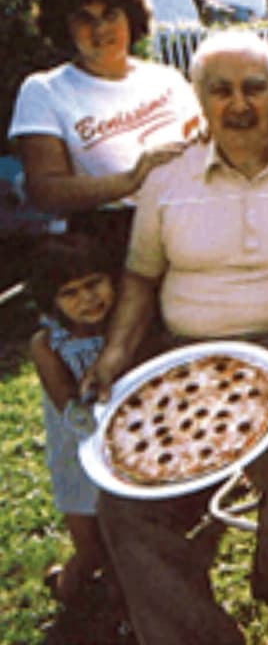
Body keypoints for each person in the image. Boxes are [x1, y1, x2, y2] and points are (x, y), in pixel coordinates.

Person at [82, 31, 268, 645]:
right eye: (221, 91)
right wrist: (114, 355)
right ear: (201, 103)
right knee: (125, 507)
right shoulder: (169, 178)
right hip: (185, 362)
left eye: (254, 88)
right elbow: (140, 278)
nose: (239, 104)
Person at [8, 0, 199, 267]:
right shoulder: (45, 90)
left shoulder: (168, 79)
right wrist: (131, 179)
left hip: (185, 224)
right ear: (63, 26)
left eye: (110, 15)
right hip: (107, 239)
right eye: (84, 19)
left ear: (130, 16)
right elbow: (45, 191)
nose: (100, 29)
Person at [28, 234, 116, 605]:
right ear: (53, 302)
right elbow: (68, 405)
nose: (87, 299)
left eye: (94, 283)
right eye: (70, 293)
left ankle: (121, 605)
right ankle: (69, 585)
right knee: (92, 548)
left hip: (127, 445)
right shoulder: (47, 344)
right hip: (78, 454)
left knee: (123, 543)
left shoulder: (125, 328)